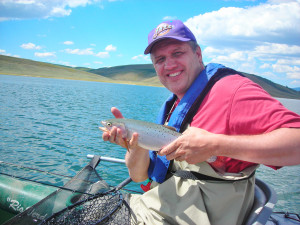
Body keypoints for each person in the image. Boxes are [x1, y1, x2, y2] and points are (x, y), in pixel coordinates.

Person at [102, 20, 300, 225]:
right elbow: (138, 176)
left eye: (177, 53)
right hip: (159, 207)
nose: (169, 65)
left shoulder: (233, 92)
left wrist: (215, 145)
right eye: (160, 59)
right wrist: (135, 146)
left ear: (198, 54)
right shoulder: (173, 107)